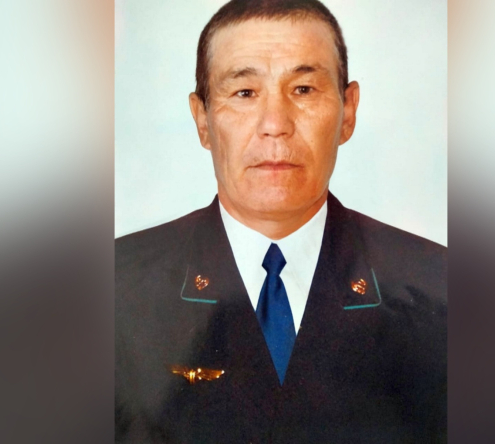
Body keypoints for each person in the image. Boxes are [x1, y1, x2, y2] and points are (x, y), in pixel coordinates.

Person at [115, 0, 446, 442]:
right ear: (203, 120)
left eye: (303, 89)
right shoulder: (113, 289)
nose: (275, 124)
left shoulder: (440, 287)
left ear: (347, 111)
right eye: (244, 93)